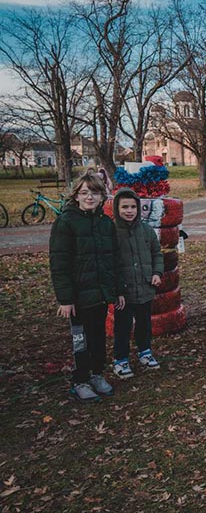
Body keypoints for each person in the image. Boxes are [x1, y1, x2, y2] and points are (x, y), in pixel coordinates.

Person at [49, 171, 124, 402]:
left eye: (94, 192)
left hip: (100, 294)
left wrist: (118, 289)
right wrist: (65, 298)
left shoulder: (105, 223)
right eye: (84, 193)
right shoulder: (66, 222)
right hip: (79, 297)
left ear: (102, 196)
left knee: (98, 336)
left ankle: (97, 374)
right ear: (76, 196)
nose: (89, 197)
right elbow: (59, 263)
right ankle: (80, 380)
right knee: (80, 340)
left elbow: (114, 259)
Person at [111, 188, 164, 379]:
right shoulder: (112, 232)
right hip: (123, 291)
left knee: (144, 323)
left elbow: (156, 253)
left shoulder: (146, 230)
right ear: (117, 208)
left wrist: (157, 272)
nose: (129, 210)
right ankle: (120, 359)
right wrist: (117, 288)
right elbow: (109, 262)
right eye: (125, 207)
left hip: (144, 286)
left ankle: (145, 351)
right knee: (123, 326)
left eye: (133, 206)